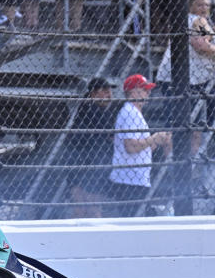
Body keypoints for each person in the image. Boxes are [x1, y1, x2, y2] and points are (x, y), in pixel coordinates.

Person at [155, 0, 215, 155]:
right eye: (199, 4)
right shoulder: (197, 20)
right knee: (181, 123)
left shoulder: (194, 20)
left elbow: (202, 39)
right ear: (191, 6)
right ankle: (176, 163)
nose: (204, 8)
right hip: (184, 78)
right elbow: (200, 44)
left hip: (191, 78)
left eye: (206, 5)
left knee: (192, 122)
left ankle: (188, 161)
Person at [108, 74, 172, 215]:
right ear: (132, 92)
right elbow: (131, 147)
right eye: (143, 89)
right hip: (130, 180)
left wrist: (158, 140)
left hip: (134, 178)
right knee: (133, 219)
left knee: (136, 218)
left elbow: (143, 147)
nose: (148, 93)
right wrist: (154, 137)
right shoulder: (130, 112)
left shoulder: (134, 112)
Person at [64, 77, 118, 217]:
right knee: (93, 209)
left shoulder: (86, 107)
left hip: (80, 161)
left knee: (80, 207)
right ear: (93, 94)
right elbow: (109, 135)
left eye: (110, 91)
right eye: (105, 91)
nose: (109, 95)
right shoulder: (94, 110)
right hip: (91, 162)